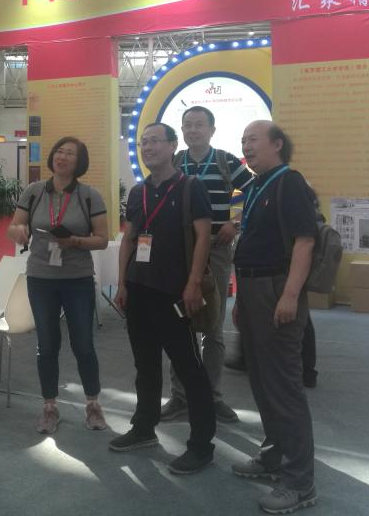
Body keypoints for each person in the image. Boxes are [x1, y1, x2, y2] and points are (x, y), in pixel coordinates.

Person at [110, 122, 216, 475]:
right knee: (145, 365)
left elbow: (203, 238)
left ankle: (201, 445)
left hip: (175, 291)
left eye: (155, 141)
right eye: (144, 142)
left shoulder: (190, 187)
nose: (148, 147)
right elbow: (130, 239)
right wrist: (122, 283)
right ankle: (144, 428)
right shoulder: (138, 192)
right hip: (139, 290)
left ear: (173, 146)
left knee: (189, 368)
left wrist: (193, 283)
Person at [230, 120, 317, 514]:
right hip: (251, 290)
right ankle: (272, 456)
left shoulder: (289, 182)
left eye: (253, 140)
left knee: (283, 386)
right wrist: (240, 299)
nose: (246, 146)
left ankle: (300, 483)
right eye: (243, 141)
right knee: (262, 382)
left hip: (276, 289)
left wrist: (290, 296)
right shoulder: (255, 186)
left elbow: (305, 242)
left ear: (277, 144)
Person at [8, 137, 110, 434]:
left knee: (83, 344)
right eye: (59, 152)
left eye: (70, 154)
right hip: (41, 278)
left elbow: (102, 240)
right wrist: (19, 231)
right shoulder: (34, 191)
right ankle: (49, 407)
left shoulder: (89, 196)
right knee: (47, 345)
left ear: (79, 162)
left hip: (77, 279)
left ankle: (93, 404)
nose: (62, 157)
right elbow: (14, 225)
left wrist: (74, 241)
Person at [161, 106, 251, 425]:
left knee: (213, 326)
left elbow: (253, 192)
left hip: (217, 249)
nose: (193, 130)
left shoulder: (227, 161)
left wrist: (234, 223)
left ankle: (212, 397)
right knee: (178, 324)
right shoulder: (174, 163)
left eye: (199, 125)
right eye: (187, 125)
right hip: (180, 251)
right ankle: (180, 396)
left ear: (212, 130)